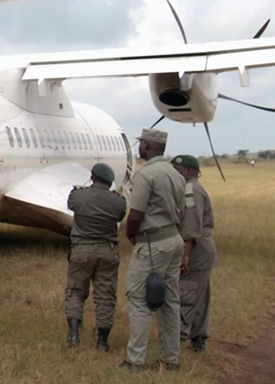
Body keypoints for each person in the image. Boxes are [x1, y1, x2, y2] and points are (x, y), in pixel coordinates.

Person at [120, 128, 185, 372]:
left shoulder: (145, 175)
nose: (139, 147)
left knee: (139, 299)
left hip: (152, 243)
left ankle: (135, 361)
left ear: (147, 146)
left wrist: (129, 234)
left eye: (141, 144)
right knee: (170, 300)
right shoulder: (175, 174)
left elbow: (136, 213)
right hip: (174, 240)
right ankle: (171, 359)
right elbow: (182, 214)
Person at [66, 162, 127, 351]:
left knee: (75, 292)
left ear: (92, 177)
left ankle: (74, 334)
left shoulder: (79, 196)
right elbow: (120, 215)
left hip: (81, 250)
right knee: (105, 296)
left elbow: (70, 204)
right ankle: (102, 341)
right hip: (107, 252)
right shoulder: (118, 202)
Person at [175, 155, 216, 353]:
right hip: (204, 249)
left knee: (187, 293)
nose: (175, 173)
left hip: (196, 250)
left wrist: (185, 255)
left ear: (190, 171)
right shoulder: (193, 188)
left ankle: (178, 338)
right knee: (200, 296)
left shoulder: (190, 189)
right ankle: (198, 338)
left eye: (179, 169)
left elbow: (191, 227)